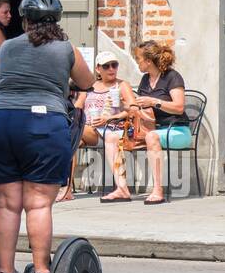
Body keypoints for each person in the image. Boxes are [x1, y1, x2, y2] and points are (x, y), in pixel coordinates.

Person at [0, 0, 95, 273]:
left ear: (26, 19)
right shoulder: (66, 49)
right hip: (41, 124)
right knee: (38, 203)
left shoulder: (9, 47)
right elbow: (87, 82)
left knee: (7, 204)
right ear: (56, 21)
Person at [67, 51, 138, 203]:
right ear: (98, 69)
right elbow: (79, 105)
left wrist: (109, 117)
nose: (111, 69)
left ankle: (64, 190)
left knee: (71, 133)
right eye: (107, 66)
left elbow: (133, 109)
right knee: (69, 142)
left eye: (114, 65)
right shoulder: (90, 85)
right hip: (90, 131)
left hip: (112, 129)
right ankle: (67, 189)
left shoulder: (122, 85)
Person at [128, 39, 188, 205]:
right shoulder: (146, 79)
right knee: (115, 137)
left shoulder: (172, 77)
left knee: (152, 137)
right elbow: (141, 106)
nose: (137, 62)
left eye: (138, 58)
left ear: (148, 61)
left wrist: (154, 101)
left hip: (178, 130)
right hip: (152, 129)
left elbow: (179, 107)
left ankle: (158, 190)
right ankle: (121, 189)